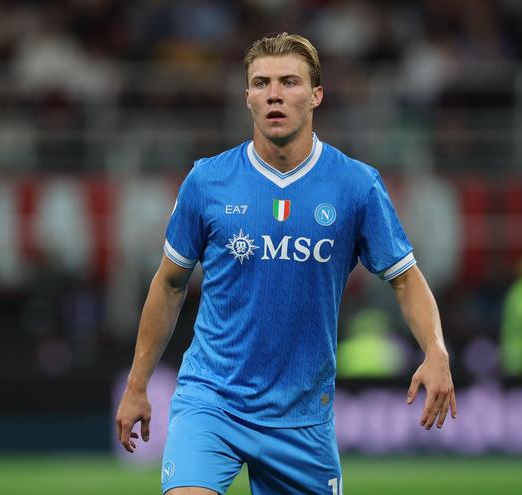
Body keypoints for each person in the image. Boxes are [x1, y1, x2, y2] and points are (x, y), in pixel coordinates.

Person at [116, 32, 457, 495]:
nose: (274, 94)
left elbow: (405, 280)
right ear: (248, 97)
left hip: (302, 418)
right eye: (261, 83)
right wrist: (137, 384)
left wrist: (436, 351)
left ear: (316, 95)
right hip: (212, 401)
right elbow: (169, 284)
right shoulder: (207, 181)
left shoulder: (356, 186)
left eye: (289, 82)